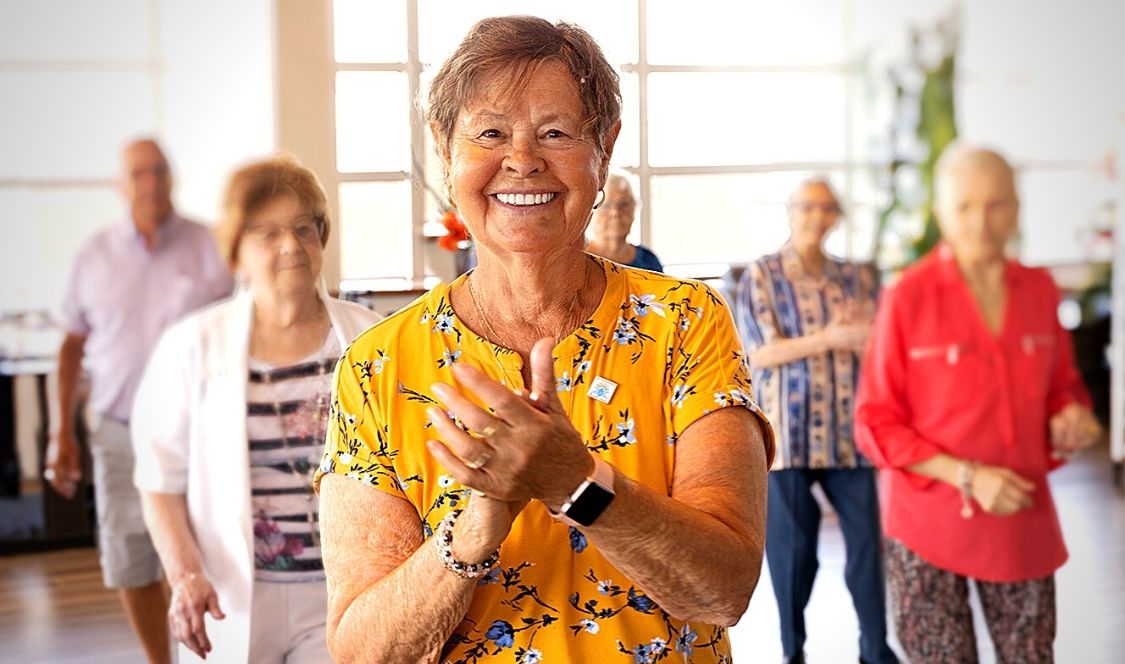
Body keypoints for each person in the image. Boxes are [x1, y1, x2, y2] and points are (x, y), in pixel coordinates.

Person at [316, 16, 774, 663]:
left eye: (554, 133)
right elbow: (364, 652)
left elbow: (723, 589)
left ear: (604, 150)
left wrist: (574, 481)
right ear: (444, 150)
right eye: (491, 132)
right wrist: (476, 524)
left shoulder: (684, 321)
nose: (523, 159)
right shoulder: (379, 366)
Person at [855, 144, 1102, 662]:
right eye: (965, 206)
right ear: (941, 211)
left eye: (997, 205)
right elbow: (874, 422)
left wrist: (1071, 417)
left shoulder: (1039, 289)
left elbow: (1063, 387)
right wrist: (967, 476)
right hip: (928, 521)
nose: (981, 222)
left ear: (1017, 208)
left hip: (1021, 511)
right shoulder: (908, 296)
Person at [130, 156, 382, 663]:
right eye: (267, 234)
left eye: (303, 229)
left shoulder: (371, 338)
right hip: (236, 593)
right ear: (236, 253)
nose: (291, 246)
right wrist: (185, 576)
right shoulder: (191, 346)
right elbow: (159, 481)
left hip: (348, 589)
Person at [46, 138, 232, 664]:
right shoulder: (93, 254)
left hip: (196, 432)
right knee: (131, 556)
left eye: (159, 171)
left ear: (172, 177)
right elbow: (70, 347)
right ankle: (159, 660)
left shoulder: (211, 246)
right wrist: (62, 433)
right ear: (120, 184)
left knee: (198, 551)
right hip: (117, 428)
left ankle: (206, 653)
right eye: (138, 174)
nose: (150, 183)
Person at [736, 178, 897, 664]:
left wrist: (860, 337)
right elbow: (761, 352)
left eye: (827, 208)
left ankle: (876, 650)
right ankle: (793, 651)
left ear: (836, 217)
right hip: (788, 435)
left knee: (869, 549)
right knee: (793, 556)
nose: (816, 215)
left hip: (852, 433)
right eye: (807, 206)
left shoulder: (858, 276)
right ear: (791, 212)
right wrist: (830, 337)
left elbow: (884, 341)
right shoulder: (761, 275)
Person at [586, 172, 664, 271]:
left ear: (635, 207)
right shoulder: (578, 259)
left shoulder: (649, 261)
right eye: (606, 205)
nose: (615, 212)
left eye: (624, 204)